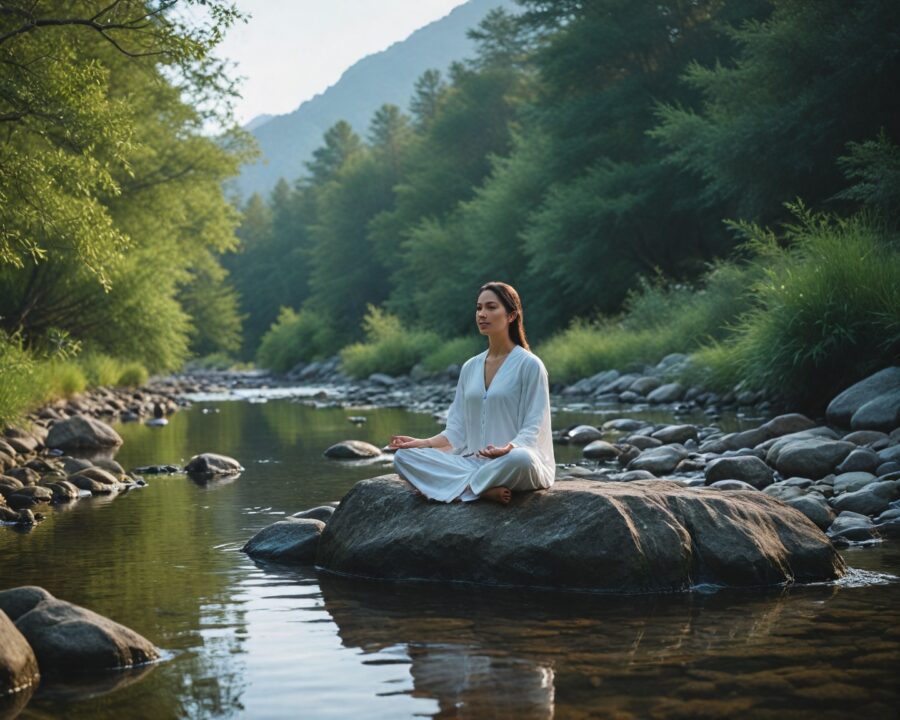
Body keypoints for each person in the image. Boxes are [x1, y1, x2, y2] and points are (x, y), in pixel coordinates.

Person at [390, 281, 555, 505]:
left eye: (491, 307)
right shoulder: (470, 367)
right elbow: (456, 430)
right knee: (403, 457)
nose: (482, 314)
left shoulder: (530, 365)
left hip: (512, 461)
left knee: (522, 459)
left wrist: (508, 448)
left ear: (511, 315)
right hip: (473, 463)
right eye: (479, 308)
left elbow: (534, 426)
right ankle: (481, 488)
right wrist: (423, 443)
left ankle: (462, 488)